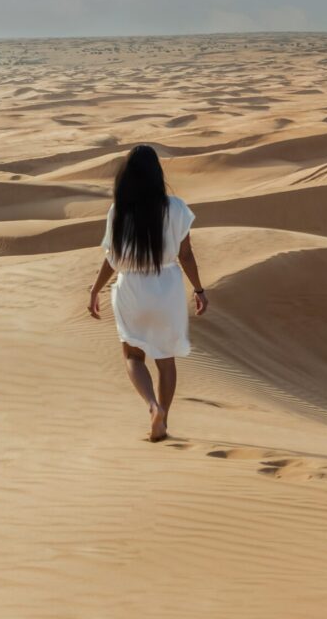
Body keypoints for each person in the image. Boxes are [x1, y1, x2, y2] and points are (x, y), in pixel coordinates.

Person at [87, 144, 208, 441]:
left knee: (133, 356)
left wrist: (95, 289)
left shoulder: (119, 211)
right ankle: (163, 417)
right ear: (157, 174)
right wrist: (199, 289)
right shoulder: (177, 208)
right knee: (166, 360)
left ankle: (152, 406)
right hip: (166, 287)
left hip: (131, 288)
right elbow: (187, 255)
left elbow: (112, 258)